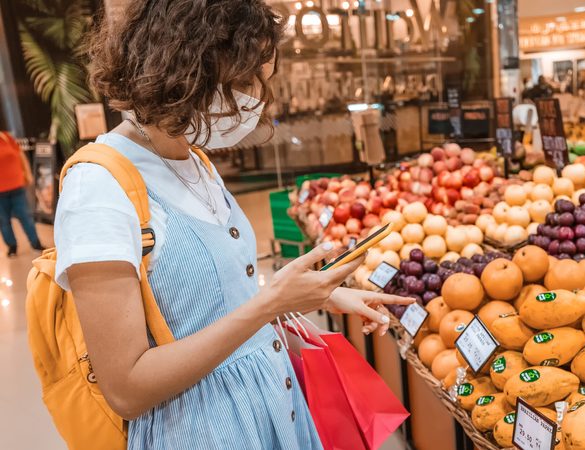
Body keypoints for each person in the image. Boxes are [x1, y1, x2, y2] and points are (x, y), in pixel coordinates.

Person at [56, 2, 412, 449]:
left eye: (260, 80)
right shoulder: (98, 189)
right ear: (182, 65)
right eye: (243, 81)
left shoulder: (195, 161)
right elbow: (126, 387)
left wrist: (310, 297)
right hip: (202, 432)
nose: (256, 98)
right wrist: (267, 307)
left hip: (273, 413)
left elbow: (215, 310)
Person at [0, 131, 43, 257]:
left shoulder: (6, 137)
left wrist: (28, 173)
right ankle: (12, 247)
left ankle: (36, 243)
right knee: (4, 221)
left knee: (26, 217)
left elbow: (20, 155)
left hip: (17, 186)